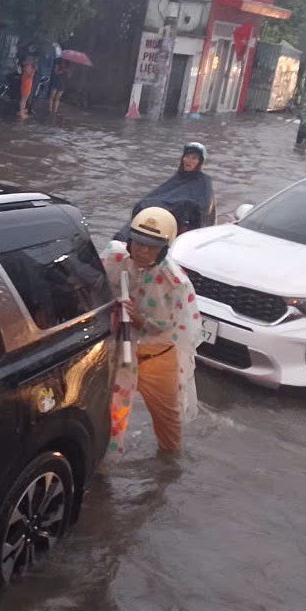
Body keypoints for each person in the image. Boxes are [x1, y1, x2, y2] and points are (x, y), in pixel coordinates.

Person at [101, 208, 202, 457]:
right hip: (119, 350)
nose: (143, 251)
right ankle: (106, 462)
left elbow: (173, 325)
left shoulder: (174, 282)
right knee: (112, 412)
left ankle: (168, 466)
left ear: (165, 249)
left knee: (168, 418)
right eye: (140, 243)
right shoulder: (113, 260)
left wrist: (140, 320)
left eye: (152, 247)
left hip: (156, 355)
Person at [115, 142, 216, 240]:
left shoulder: (204, 182)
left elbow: (203, 208)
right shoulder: (178, 177)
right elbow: (162, 195)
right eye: (187, 157)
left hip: (180, 221)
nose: (188, 160)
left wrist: (178, 206)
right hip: (163, 213)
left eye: (194, 158)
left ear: (200, 162)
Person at [17, 44, 38, 120]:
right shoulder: (27, 67)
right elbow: (31, 75)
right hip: (26, 84)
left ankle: (22, 110)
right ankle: (21, 112)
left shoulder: (28, 66)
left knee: (25, 98)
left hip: (28, 83)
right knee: (24, 99)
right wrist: (34, 70)